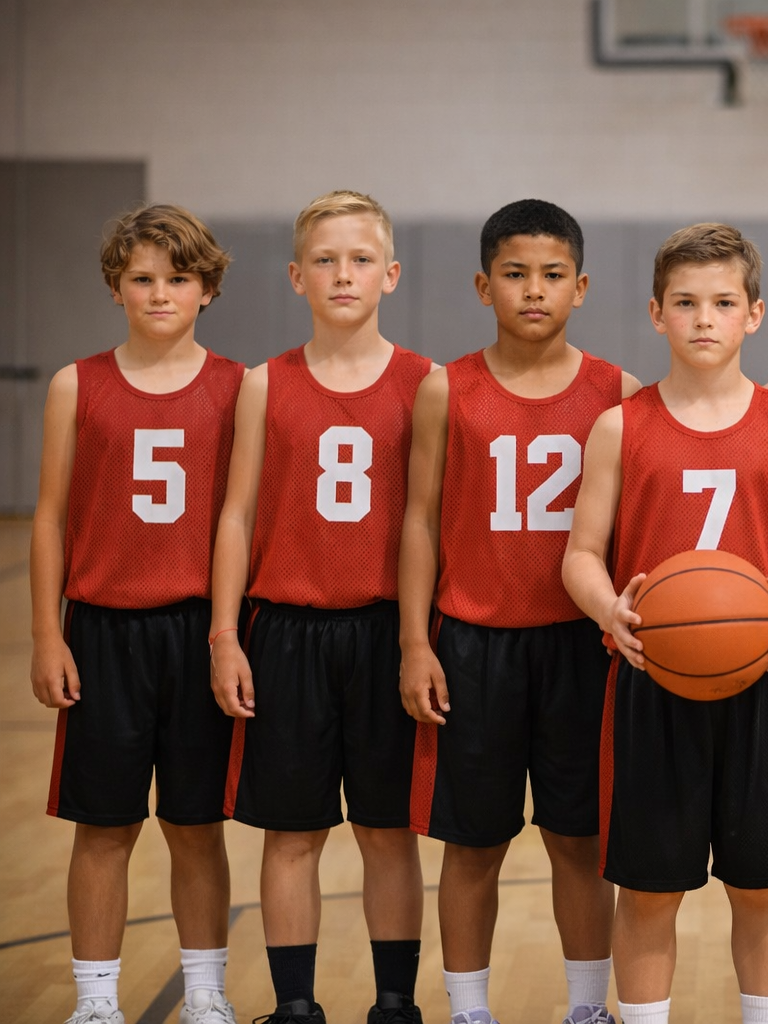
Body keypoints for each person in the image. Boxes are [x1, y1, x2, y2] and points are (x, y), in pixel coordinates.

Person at [562, 222, 768, 1024]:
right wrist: (610, 609)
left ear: (755, 314)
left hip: (764, 679)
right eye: (686, 303)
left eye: (723, 302)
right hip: (654, 678)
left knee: (763, 885)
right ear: (657, 314)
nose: (705, 319)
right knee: (648, 892)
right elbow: (580, 554)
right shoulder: (622, 426)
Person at [399, 199, 640, 1024]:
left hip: (581, 647)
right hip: (472, 646)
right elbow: (420, 521)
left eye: (550, 276)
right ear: (482, 285)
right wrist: (413, 644)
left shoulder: (618, 391)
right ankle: (469, 1012)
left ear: (580, 286)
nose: (532, 291)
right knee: (473, 846)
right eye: (513, 274)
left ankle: (585, 1010)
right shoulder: (446, 388)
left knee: (580, 843)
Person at [209, 191, 432, 1024]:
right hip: (286, 633)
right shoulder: (265, 384)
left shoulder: (426, 384)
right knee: (291, 834)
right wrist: (224, 635)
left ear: (391, 275)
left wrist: (421, 640)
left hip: (385, 632)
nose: (345, 274)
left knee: (387, 832)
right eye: (327, 261)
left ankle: (396, 1004)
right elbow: (234, 516)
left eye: (362, 259)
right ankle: (297, 1005)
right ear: (298, 276)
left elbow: (428, 521)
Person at [32, 204, 242, 1024]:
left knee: (196, 827)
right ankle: (93, 1001)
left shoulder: (237, 387)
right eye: (142, 279)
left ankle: (205, 992)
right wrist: (47, 633)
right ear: (116, 287)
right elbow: (47, 516)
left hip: (197, 631)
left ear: (208, 289)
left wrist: (229, 635)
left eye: (178, 279)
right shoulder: (74, 384)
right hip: (103, 631)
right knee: (104, 826)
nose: (160, 294)